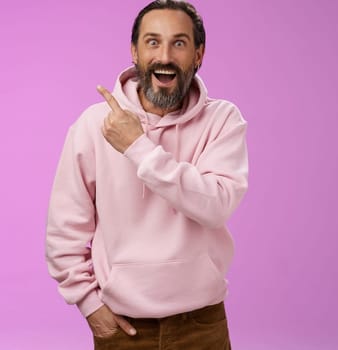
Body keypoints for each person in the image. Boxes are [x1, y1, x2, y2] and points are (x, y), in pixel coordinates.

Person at [45, 1, 248, 348]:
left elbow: (216, 205)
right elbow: (65, 228)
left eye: (179, 43)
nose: (165, 55)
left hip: (202, 324)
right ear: (134, 52)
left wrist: (138, 147)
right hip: (124, 329)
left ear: (198, 54)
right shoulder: (94, 125)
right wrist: (89, 304)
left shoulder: (223, 120)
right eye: (152, 42)